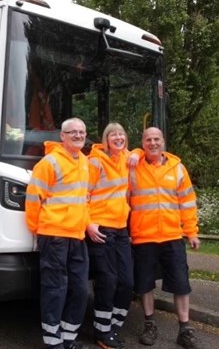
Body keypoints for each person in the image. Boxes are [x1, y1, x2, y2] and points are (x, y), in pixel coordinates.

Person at [128, 127, 202, 349]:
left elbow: (187, 203)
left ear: (163, 141)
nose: (152, 143)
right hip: (143, 237)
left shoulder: (177, 169)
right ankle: (150, 324)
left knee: (181, 284)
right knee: (145, 284)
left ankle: (185, 329)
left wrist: (191, 232)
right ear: (142, 143)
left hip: (172, 236)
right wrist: (135, 153)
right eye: (148, 140)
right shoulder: (133, 166)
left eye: (156, 139)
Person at [25, 117, 91, 349]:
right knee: (55, 289)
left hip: (77, 236)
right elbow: (33, 199)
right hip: (54, 235)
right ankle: (53, 342)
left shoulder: (84, 161)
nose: (78, 135)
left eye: (82, 132)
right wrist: (37, 232)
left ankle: (68, 338)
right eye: (72, 132)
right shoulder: (49, 163)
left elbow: (84, 200)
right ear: (62, 136)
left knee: (80, 289)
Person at [86, 123, 133, 349]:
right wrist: (88, 224)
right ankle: (102, 332)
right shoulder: (94, 162)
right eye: (113, 134)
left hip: (121, 229)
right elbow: (81, 195)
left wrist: (139, 153)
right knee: (107, 280)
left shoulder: (128, 158)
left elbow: (149, 151)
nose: (118, 137)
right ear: (105, 139)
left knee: (127, 282)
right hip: (100, 230)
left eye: (121, 134)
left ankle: (112, 327)